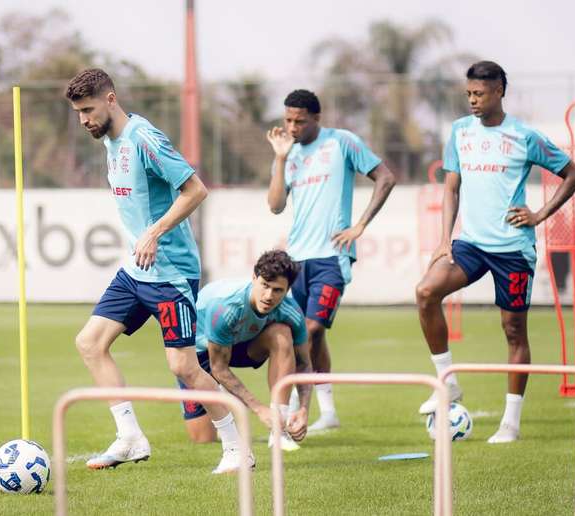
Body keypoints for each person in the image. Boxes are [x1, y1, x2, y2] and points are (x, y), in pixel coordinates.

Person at [66, 68, 252, 474]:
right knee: (90, 343)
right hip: (137, 270)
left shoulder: (145, 139)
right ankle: (130, 437)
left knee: (184, 367)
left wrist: (153, 232)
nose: (83, 120)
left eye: (88, 110)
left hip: (170, 272)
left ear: (111, 99)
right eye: (78, 112)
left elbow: (195, 190)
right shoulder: (109, 140)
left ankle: (239, 448)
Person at [415, 61, 575, 443]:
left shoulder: (525, 136)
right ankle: (449, 383)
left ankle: (510, 423)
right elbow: (451, 189)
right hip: (470, 243)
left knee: (513, 331)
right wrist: (445, 239)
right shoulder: (459, 132)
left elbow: (574, 174)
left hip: (512, 250)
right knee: (426, 292)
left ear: (499, 92)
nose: (473, 100)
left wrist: (539, 214)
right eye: (469, 94)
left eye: (480, 93)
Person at [266, 89, 396, 432]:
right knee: (307, 336)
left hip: (332, 257)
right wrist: (279, 159)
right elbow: (276, 205)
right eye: (288, 120)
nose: (292, 127)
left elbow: (386, 177)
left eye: (300, 121)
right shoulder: (288, 154)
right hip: (295, 262)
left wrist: (361, 224)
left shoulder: (342, 142)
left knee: (310, 330)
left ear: (316, 119)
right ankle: (328, 413)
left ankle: (295, 406)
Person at [178, 250, 312, 451]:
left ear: (287, 290)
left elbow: (304, 364)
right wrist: (259, 409)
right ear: (254, 278)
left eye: (277, 290)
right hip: (200, 353)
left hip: (243, 343)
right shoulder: (226, 307)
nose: (268, 296)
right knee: (202, 437)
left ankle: (279, 429)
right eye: (265, 285)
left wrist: (303, 409)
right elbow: (219, 369)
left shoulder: (290, 310)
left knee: (282, 334)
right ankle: (222, 392)